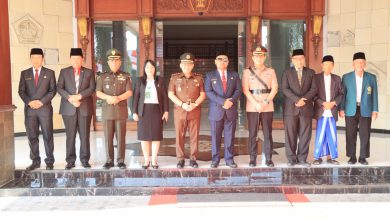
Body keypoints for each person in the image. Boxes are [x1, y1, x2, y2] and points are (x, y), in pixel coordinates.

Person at [18, 48, 57, 171]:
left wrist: (41, 101)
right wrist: (29, 102)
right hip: (30, 110)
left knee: (48, 135)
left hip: (44, 109)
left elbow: (52, 90)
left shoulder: (50, 73)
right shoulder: (25, 73)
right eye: (33, 57)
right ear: (30, 59)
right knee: (32, 136)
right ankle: (35, 161)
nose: (36, 60)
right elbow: (21, 91)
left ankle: (49, 161)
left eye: (38, 57)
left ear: (42, 59)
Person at [57, 48, 96, 170]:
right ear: (70, 59)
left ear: (82, 59)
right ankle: (70, 160)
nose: (76, 60)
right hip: (68, 108)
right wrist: (70, 99)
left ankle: (85, 160)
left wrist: (79, 96)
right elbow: (59, 88)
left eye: (78, 58)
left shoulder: (89, 72)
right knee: (70, 135)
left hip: (84, 108)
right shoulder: (64, 72)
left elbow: (92, 88)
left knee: (84, 136)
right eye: (73, 58)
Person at [242, 45, 278, 167]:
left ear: (264, 57)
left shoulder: (271, 71)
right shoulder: (247, 72)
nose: (258, 58)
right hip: (252, 107)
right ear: (252, 57)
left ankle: (268, 158)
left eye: (261, 55)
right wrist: (256, 104)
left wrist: (265, 102)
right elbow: (245, 90)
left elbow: (274, 89)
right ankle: (252, 158)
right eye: (256, 56)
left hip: (267, 106)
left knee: (267, 133)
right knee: (253, 133)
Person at [168, 53, 206, 169]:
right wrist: (182, 104)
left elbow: (203, 94)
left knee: (194, 136)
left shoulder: (198, 78)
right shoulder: (174, 78)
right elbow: (171, 94)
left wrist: (195, 104)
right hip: (180, 111)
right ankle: (180, 159)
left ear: (193, 65)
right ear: (180, 65)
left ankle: (193, 159)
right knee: (179, 135)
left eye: (189, 64)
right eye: (184, 64)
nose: (187, 66)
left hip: (194, 111)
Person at [339, 52, 378, 165]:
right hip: (350, 108)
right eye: (357, 62)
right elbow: (343, 94)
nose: (360, 64)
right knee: (350, 133)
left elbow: (374, 94)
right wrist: (341, 108)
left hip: (366, 109)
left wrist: (375, 110)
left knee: (365, 134)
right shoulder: (346, 77)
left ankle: (363, 157)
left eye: (362, 62)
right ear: (353, 64)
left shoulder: (371, 77)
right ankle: (352, 157)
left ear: (365, 63)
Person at [96, 48, 132, 169]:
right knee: (108, 138)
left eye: (117, 61)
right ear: (108, 62)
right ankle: (109, 160)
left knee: (121, 138)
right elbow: (98, 92)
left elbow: (129, 92)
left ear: (120, 62)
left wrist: (117, 98)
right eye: (112, 61)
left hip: (121, 111)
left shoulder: (125, 76)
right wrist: (108, 98)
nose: (114, 63)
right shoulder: (102, 76)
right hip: (107, 111)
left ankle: (121, 160)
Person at [205, 52, 242, 168]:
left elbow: (238, 90)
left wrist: (230, 101)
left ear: (228, 62)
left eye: (225, 60)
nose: (222, 62)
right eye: (219, 60)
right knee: (215, 136)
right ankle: (215, 159)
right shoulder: (210, 76)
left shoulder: (234, 75)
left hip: (230, 110)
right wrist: (223, 102)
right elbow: (208, 92)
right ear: (215, 62)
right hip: (216, 111)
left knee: (230, 136)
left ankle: (229, 159)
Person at [281, 49, 317, 167]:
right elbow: (285, 89)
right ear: (292, 60)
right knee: (290, 134)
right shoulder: (287, 72)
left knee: (305, 134)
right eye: (296, 58)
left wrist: (303, 100)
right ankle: (291, 159)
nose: (299, 60)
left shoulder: (311, 72)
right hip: (291, 109)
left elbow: (314, 89)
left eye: (301, 58)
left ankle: (302, 158)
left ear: (304, 59)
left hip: (306, 108)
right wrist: (297, 99)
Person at [132, 60, 169, 169]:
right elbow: (135, 98)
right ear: (144, 69)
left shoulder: (160, 80)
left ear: (155, 69)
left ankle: (154, 160)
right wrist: (134, 112)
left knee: (156, 136)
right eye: (147, 67)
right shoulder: (139, 81)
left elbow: (165, 97)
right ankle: (146, 160)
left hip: (157, 110)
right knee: (144, 137)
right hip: (143, 111)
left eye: (152, 67)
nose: (150, 69)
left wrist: (166, 111)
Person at [313, 55, 344, 165]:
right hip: (321, 110)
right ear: (322, 65)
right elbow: (313, 94)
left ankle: (332, 157)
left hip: (332, 110)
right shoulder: (316, 78)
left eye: (330, 64)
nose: (328, 66)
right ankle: (317, 157)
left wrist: (333, 103)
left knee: (332, 134)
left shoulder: (337, 78)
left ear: (333, 66)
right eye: (326, 64)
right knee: (320, 134)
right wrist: (323, 103)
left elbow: (341, 94)